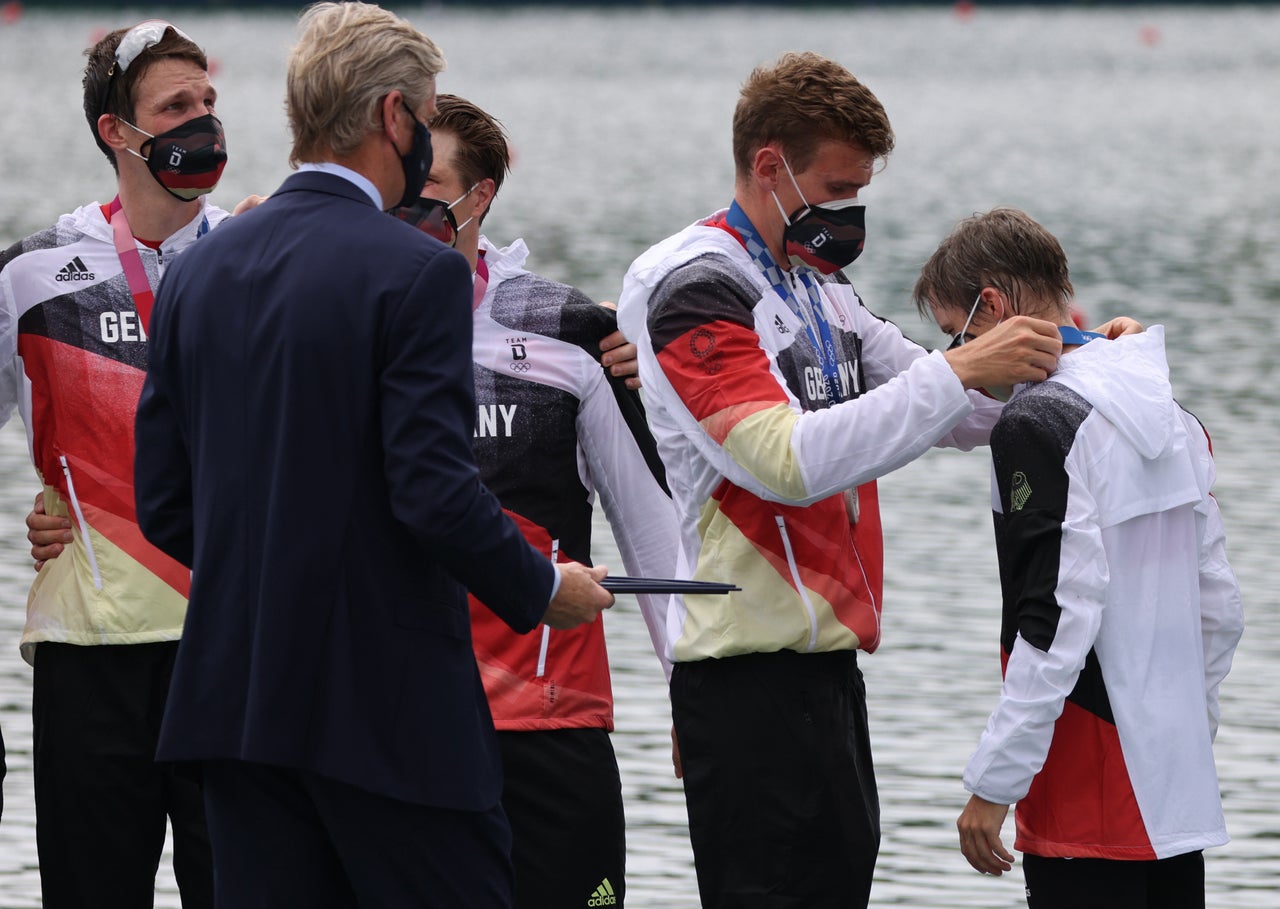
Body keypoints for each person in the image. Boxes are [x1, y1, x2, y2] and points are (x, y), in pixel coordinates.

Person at [131, 4, 614, 908]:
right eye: (425, 120)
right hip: (390, 713)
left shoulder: (198, 268)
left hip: (234, 705)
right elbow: (432, 490)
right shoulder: (417, 270)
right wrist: (544, 588)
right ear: (394, 117)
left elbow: (163, 500)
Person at [615, 51, 1080, 909]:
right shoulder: (693, 286)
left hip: (829, 677)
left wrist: (1084, 362)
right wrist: (961, 367)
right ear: (769, 166)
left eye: (860, 190)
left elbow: (963, 411)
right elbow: (788, 463)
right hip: (741, 681)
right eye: (835, 187)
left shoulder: (819, 284)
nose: (849, 212)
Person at [388, 93, 678, 909]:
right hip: (403, 724)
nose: (407, 197)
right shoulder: (343, 316)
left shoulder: (572, 330)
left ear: (478, 199)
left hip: (552, 723)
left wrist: (691, 698)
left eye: (430, 180)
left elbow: (651, 530)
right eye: (399, 176)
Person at [914, 207, 1244, 909]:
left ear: (993, 306)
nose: (959, 362)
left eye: (955, 335)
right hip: (1175, 788)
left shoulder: (1034, 425)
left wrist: (994, 782)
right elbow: (1220, 609)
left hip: (1081, 790)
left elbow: (1052, 619)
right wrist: (1182, 729)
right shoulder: (1175, 417)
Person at [0, 19, 227, 908]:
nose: (204, 125)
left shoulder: (255, 261)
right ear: (117, 135)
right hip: (89, 654)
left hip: (230, 649)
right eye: (177, 108)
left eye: (209, 104)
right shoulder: (30, 275)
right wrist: (47, 504)